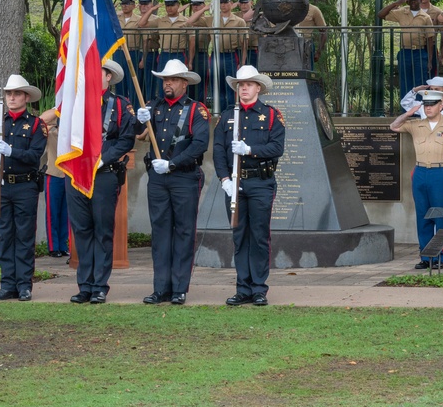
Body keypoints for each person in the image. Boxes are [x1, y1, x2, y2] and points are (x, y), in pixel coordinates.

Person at [136, 59, 211, 305]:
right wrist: (138, 118)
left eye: (173, 79)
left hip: (183, 176)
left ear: (184, 83)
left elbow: (200, 143)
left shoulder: (195, 109)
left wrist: (173, 163)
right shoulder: (153, 107)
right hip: (157, 178)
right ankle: (161, 288)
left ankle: (179, 288)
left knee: (184, 231)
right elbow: (134, 132)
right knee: (160, 232)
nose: (167, 83)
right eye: (165, 79)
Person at [66, 60, 138, 304]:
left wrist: (103, 158)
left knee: (103, 231)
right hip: (77, 174)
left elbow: (127, 139)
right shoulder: (74, 103)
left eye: (100, 73)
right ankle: (84, 285)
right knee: (82, 231)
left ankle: (99, 286)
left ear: (109, 77)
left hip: (105, 174)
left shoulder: (120, 105)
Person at [213, 65, 286, 306]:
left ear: (258, 87)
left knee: (259, 236)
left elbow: (277, 148)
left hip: (261, 183)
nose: (244, 88)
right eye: (240, 84)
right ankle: (242, 288)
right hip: (234, 183)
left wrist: (250, 150)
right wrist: (224, 179)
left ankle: (258, 289)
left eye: (249, 84)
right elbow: (218, 151)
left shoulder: (272, 115)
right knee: (239, 236)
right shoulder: (226, 116)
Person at [0, 75, 47, 301]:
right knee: (6, 236)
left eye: (16, 93)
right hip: (2, 187)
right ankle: (7, 284)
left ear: (26, 97)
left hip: (24, 186)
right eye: (9, 93)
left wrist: (12, 151)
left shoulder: (37, 124)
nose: (12, 97)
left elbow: (34, 156)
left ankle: (24, 285)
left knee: (24, 236)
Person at [390, 90, 443, 269]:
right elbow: (394, 126)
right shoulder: (416, 125)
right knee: (423, 217)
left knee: (440, 216)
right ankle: (426, 257)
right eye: (426, 105)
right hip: (420, 171)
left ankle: (440, 257)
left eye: (432, 105)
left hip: (440, 172)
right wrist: (408, 113)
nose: (428, 108)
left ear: (441, 105)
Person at [377, 0, 435, 99]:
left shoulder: (426, 17)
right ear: (408, 0)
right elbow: (381, 15)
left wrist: (429, 60)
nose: (413, 2)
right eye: (411, 0)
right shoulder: (401, 12)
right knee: (405, 82)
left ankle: (419, 110)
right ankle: (406, 110)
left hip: (420, 52)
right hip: (405, 52)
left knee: (420, 83)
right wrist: (396, 3)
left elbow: (430, 38)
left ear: (420, 0)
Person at [38, 109, 69, 258]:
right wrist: (58, 109)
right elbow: (40, 121)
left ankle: (63, 245)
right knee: (52, 212)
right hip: (54, 174)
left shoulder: (73, 129)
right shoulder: (51, 130)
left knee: (66, 213)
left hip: (69, 176)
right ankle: (53, 246)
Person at [212, 0, 247, 112]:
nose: (223, 5)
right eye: (220, 3)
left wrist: (242, 63)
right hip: (216, 55)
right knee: (218, 86)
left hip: (231, 55)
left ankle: (232, 112)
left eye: (226, 2)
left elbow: (244, 44)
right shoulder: (213, 19)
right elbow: (189, 22)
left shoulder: (239, 21)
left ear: (231, 3)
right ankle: (220, 113)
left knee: (231, 87)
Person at [116, 0, 143, 105]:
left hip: (133, 52)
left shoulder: (139, 19)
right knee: (119, 81)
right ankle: (120, 107)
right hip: (118, 52)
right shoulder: (116, 18)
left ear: (133, 5)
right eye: (123, 3)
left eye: (127, 3)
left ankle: (135, 108)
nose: (124, 6)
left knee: (133, 82)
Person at [416, 0, 443, 77]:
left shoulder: (437, 12)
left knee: (431, 76)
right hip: (415, 47)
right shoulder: (411, 10)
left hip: (431, 47)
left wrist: (441, 55)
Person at [185, 0, 210, 103]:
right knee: (188, 82)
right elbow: (190, 21)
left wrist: (204, 9)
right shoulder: (188, 20)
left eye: (198, 4)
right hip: (188, 53)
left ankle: (200, 104)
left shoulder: (207, 20)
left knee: (200, 81)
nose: (195, 7)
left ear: (203, 5)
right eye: (193, 5)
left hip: (201, 54)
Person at [137, 0, 161, 99]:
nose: (143, 6)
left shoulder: (155, 20)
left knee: (149, 82)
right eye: (141, 4)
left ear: (151, 5)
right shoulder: (135, 18)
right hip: (136, 52)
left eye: (146, 4)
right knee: (137, 82)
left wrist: (144, 58)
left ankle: (149, 104)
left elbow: (147, 40)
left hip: (150, 53)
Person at [157, 0, 191, 70]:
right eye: (167, 6)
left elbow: (191, 40)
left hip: (179, 54)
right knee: (162, 78)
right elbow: (141, 24)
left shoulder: (186, 21)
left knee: (178, 77)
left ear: (178, 5)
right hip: (164, 53)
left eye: (172, 5)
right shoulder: (160, 21)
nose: (169, 8)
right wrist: (152, 9)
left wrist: (190, 60)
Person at [297, 2, 328, 69]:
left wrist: (318, 52)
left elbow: (324, 32)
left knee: (307, 70)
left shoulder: (314, 10)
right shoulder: (287, 8)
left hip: (306, 45)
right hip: (289, 44)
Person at [237, 0, 259, 68]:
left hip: (253, 50)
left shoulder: (258, 16)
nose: (244, 5)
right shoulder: (235, 15)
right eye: (241, 3)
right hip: (238, 50)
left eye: (246, 3)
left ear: (251, 3)